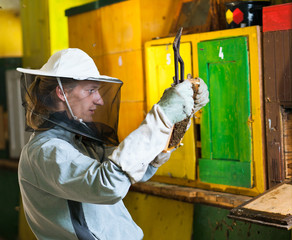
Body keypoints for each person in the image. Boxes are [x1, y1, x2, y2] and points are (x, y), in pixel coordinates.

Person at [17, 48, 209, 240]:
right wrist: (162, 115)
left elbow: (128, 169)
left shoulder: (77, 141)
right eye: (91, 90)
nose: (99, 100)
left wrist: (180, 114)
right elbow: (109, 184)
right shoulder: (46, 151)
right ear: (62, 93)